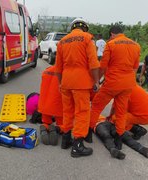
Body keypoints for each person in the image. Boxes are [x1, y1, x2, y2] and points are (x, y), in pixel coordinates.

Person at [90, 25, 141, 150]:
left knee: (96, 106)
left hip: (113, 82)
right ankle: (119, 139)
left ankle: (88, 133)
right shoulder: (136, 45)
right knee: (121, 111)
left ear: (112, 34)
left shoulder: (111, 44)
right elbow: (135, 67)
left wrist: (97, 81)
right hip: (128, 83)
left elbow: (103, 66)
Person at [55, 18, 100, 158]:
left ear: (72, 27)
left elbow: (58, 67)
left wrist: (61, 83)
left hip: (66, 82)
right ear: (84, 28)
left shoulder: (62, 41)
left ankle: (66, 140)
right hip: (81, 83)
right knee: (82, 112)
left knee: (67, 111)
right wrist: (97, 82)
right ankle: (78, 146)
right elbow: (93, 63)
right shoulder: (87, 38)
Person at [38, 65, 63, 146]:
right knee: (63, 124)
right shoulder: (64, 72)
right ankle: (57, 129)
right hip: (58, 106)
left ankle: (45, 126)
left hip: (44, 105)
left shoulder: (46, 70)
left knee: (46, 120)